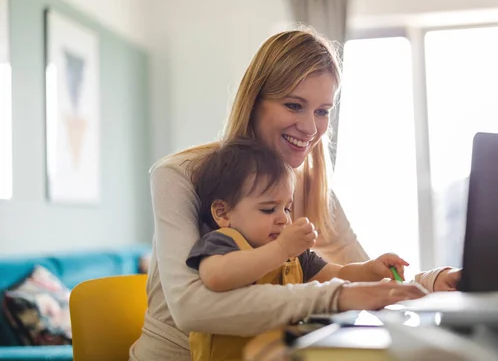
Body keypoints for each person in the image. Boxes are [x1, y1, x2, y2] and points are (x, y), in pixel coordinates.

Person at [129, 28, 461, 361]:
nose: (310, 127)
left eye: (322, 111)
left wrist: (428, 282)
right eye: (294, 105)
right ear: (254, 101)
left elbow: (360, 275)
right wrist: (337, 297)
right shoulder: (182, 174)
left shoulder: (312, 186)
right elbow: (192, 309)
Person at [186, 137, 413, 361]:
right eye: (268, 209)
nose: (283, 219)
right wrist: (282, 248)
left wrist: (370, 269)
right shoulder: (223, 241)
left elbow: (338, 274)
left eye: (287, 208)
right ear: (223, 213)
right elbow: (216, 276)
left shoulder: (294, 256)